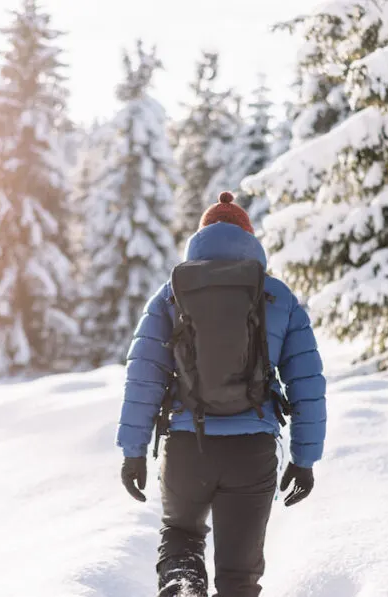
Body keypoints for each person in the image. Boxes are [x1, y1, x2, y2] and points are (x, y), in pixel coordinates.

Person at [116, 191, 328, 597]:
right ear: (249, 239)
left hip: (186, 447)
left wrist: (132, 451)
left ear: (200, 238)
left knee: (181, 535)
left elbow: (143, 377)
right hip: (252, 452)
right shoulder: (277, 296)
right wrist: (304, 459)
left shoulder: (170, 293)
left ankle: (183, 584)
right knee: (239, 577)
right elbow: (308, 384)